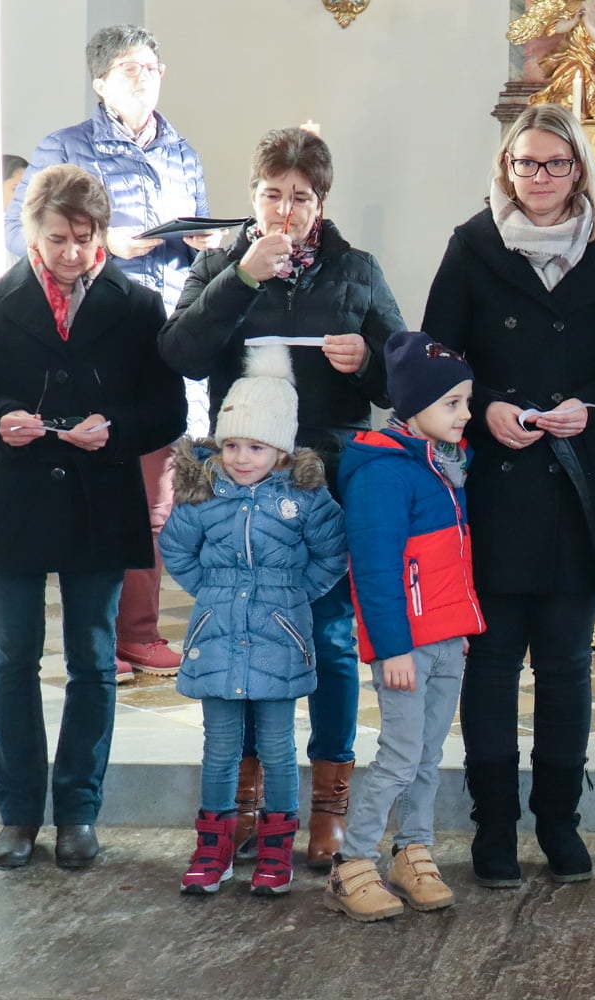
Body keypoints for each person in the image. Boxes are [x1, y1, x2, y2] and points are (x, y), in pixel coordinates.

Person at [159, 125, 405, 868]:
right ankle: (246, 798)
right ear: (253, 196)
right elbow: (179, 354)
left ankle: (329, 802)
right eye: (273, 194)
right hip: (237, 480)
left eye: (301, 197)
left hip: (324, 478)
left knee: (329, 638)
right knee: (241, 637)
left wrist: (367, 361)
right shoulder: (219, 263)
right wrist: (241, 278)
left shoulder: (355, 269)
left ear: (321, 203)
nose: (285, 210)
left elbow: (401, 382)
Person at [0, 164, 186, 869]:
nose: (72, 252)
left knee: (94, 660)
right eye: (57, 238)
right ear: (30, 233)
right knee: (11, 657)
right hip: (11, 500)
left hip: (99, 499)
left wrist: (116, 429)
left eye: (85, 237)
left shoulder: (138, 306)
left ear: (101, 233)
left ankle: (78, 811)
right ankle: (18, 813)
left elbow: (167, 408)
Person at [422, 103, 595, 887]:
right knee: (490, 666)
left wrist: (592, 404)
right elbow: (436, 355)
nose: (540, 177)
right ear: (507, 169)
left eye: (555, 163)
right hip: (494, 478)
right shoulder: (473, 244)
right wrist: (483, 407)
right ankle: (493, 829)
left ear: (578, 169)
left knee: (566, 666)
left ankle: (558, 822)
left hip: (574, 477)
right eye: (526, 163)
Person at [6, 24, 217, 680]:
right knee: (93, 494)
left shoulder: (182, 153)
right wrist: (105, 244)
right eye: (129, 69)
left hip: (167, 334)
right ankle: (93, 640)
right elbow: (17, 235)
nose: (144, 78)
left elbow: (199, 236)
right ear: (100, 82)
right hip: (94, 336)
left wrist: (208, 243)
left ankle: (139, 633)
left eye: (151, 67)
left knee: (156, 497)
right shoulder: (64, 148)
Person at [160, 346, 346, 895]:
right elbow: (177, 549)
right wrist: (213, 592)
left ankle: (275, 849)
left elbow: (332, 553)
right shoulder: (202, 495)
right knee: (219, 747)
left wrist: (293, 595)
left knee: (278, 748)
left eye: (257, 447)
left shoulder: (306, 498)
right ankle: (212, 848)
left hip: (278, 640)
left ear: (281, 450)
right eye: (232, 445)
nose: (242, 458)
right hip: (216, 638)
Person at [325, 333, 484, 921]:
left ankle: (412, 851)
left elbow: (451, 561)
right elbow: (374, 571)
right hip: (405, 648)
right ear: (413, 405)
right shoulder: (382, 473)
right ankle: (352, 865)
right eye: (452, 403)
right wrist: (391, 648)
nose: (465, 415)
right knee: (398, 756)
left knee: (427, 754)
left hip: (446, 638)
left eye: (467, 402)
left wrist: (459, 629)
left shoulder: (442, 465)